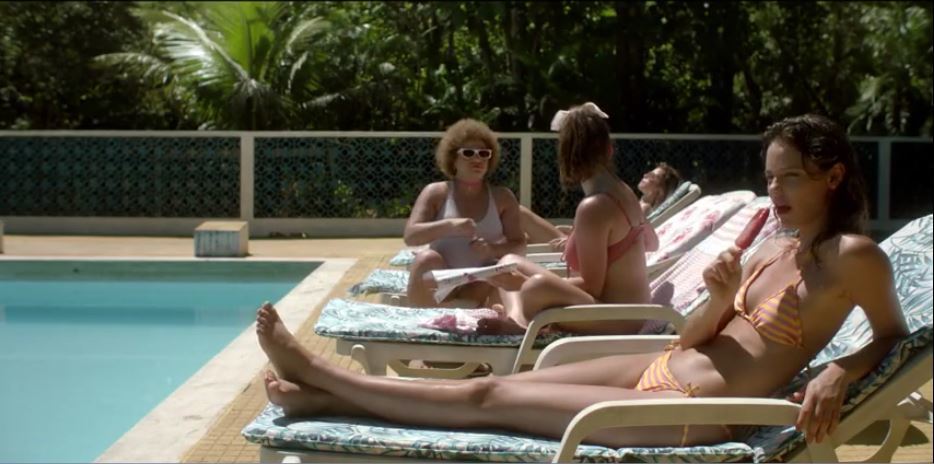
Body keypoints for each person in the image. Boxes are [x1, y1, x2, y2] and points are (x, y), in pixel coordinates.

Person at [256, 113, 908, 448]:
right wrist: (716, 299)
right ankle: (324, 402)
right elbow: (697, 337)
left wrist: (839, 370)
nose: (776, 190)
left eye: (790, 176)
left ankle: (325, 378)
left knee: (489, 400)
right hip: (665, 363)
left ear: (833, 177)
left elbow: (893, 336)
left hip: (692, 410)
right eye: (770, 176)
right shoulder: (773, 245)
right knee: (492, 388)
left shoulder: (854, 256)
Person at [477, 102, 659, 335]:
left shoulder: (594, 206)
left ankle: (520, 325)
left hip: (617, 317)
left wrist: (521, 283)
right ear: (609, 150)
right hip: (629, 312)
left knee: (535, 287)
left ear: (566, 155)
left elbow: (593, 288)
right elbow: (652, 243)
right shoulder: (622, 190)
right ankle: (517, 320)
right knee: (508, 261)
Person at [402, 118, 526, 307]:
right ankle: (423, 316)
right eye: (468, 153)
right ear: (453, 159)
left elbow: (520, 245)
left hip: (481, 283)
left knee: (499, 269)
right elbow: (411, 236)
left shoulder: (502, 197)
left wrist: (493, 250)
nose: (477, 159)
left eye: (484, 153)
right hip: (441, 280)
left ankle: (473, 312)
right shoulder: (436, 192)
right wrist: (449, 226)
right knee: (426, 259)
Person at [519, 162, 682, 248]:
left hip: (582, 249)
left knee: (521, 214)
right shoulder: (637, 205)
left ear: (660, 191)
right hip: (582, 245)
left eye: (652, 176)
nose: (646, 174)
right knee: (525, 236)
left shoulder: (642, 210)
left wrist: (575, 238)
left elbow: (616, 237)